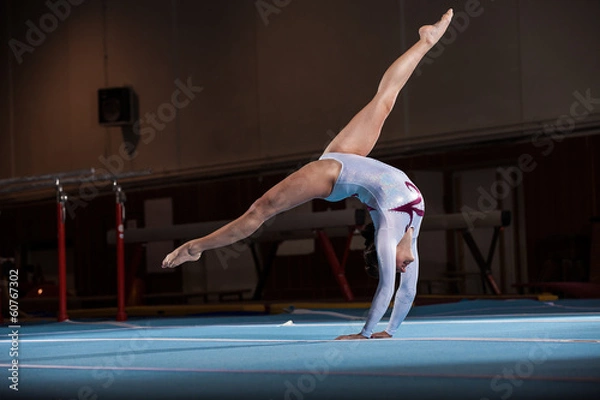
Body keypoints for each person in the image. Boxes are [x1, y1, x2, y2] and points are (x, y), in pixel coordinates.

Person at [162, 9, 454, 340]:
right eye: (402, 267)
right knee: (384, 101)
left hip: (334, 174)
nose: (404, 268)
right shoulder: (407, 234)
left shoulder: (388, 234)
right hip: (350, 157)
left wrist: (371, 333)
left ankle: (197, 246)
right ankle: (425, 41)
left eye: (398, 266)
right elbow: (402, 290)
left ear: (379, 248)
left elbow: (392, 288)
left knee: (262, 208)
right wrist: (382, 331)